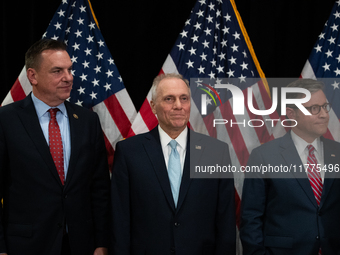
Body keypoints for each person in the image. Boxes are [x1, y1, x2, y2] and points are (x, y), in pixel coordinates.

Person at [0, 39, 110, 255]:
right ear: (33, 76)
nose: (68, 77)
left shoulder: (88, 121)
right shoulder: (6, 120)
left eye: (69, 69)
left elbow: (100, 190)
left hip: (81, 245)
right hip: (25, 246)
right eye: (57, 71)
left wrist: (102, 243)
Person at [110, 73, 236, 254]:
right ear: (153, 106)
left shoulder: (217, 152)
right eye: (169, 99)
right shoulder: (129, 152)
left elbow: (226, 220)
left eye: (184, 98)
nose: (178, 106)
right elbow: (120, 219)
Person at [240, 79, 340, 255]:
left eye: (325, 106)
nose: (324, 114)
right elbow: (251, 219)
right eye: (315, 108)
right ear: (292, 114)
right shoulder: (264, 156)